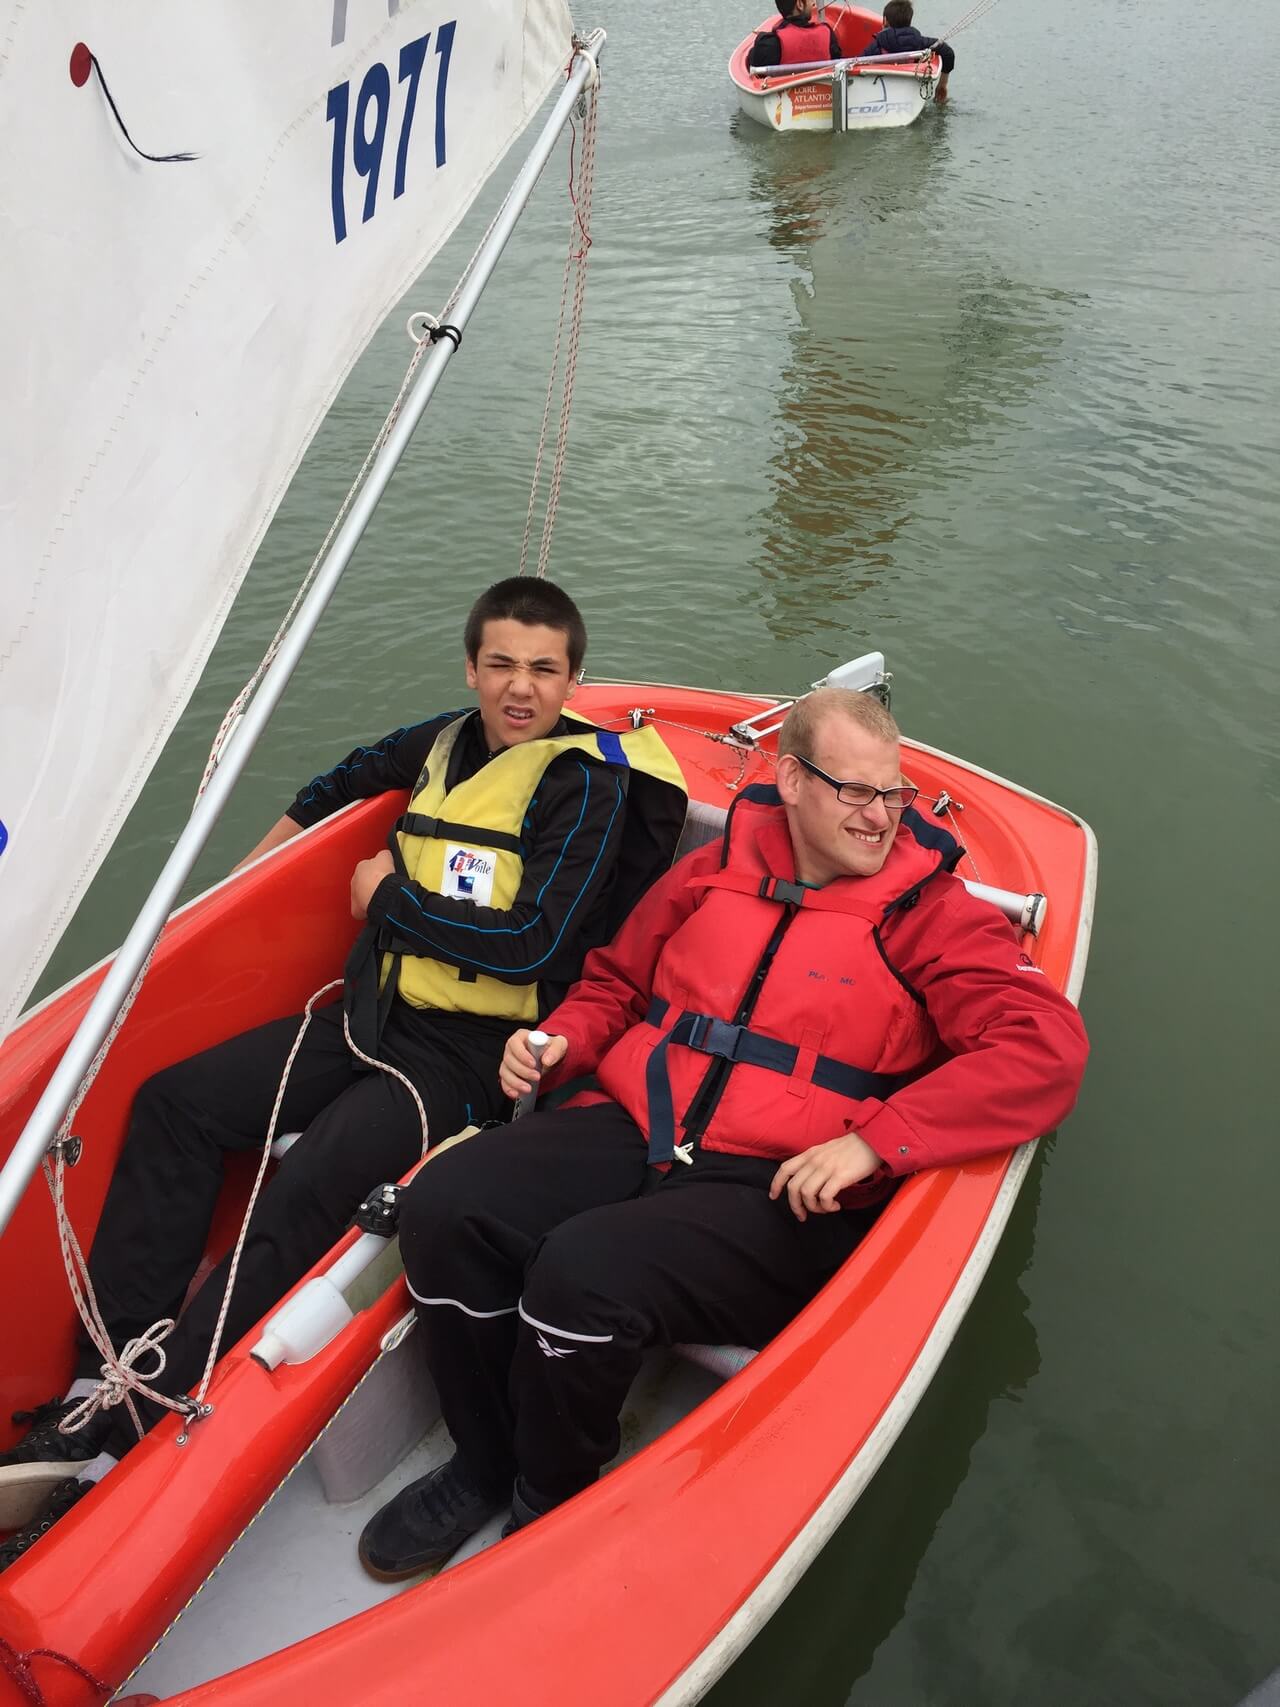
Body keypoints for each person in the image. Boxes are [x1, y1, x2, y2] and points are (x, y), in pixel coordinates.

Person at [0, 577, 687, 1568]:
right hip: (369, 1016)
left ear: (572, 681)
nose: (520, 687)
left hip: (470, 1058)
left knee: (313, 1183)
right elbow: (349, 773)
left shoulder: (585, 786)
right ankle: (95, 1378)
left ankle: (130, 1426)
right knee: (177, 1103)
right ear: (471, 668)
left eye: (543, 669)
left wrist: (388, 899)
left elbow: (534, 944)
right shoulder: (443, 742)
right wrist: (248, 868)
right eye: (500, 663)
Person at [356, 687, 1089, 1578]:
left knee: (582, 1276)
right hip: (642, 1122)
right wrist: (563, 1040)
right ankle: (483, 1461)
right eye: (856, 791)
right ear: (791, 779)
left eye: (893, 793)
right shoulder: (714, 869)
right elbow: (616, 983)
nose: (881, 816)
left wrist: (878, 1138)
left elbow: (1044, 1048)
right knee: (445, 1204)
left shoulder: (930, 913)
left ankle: (547, 1502)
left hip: (779, 1187)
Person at [864, 0, 955, 103]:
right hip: (909, 89)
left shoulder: (877, 45)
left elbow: (857, 63)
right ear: (909, 20)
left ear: (885, 20)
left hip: (880, 90)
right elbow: (948, 52)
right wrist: (942, 84)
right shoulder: (920, 42)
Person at [750, 0, 842, 71]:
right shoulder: (827, 34)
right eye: (810, 0)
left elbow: (753, 68)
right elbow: (837, 61)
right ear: (800, 4)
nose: (814, 3)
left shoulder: (768, 44)